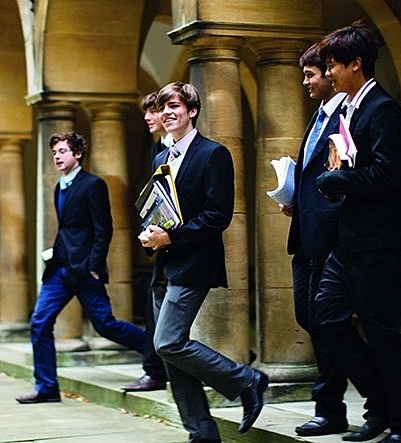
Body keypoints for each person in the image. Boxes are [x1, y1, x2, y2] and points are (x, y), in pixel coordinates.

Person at [313, 22, 401, 443]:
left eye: (333, 66)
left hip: (379, 240)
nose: (329, 74)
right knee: (324, 319)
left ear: (355, 64)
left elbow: (384, 173)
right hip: (348, 240)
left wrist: (338, 181)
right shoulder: (349, 109)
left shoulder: (383, 109)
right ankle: (379, 404)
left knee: (382, 333)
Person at [138, 82, 268, 441]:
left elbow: (218, 215)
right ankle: (202, 433)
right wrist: (150, 234)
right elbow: (159, 209)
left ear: (192, 110)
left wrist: (172, 237)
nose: (166, 113)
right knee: (172, 358)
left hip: (194, 263)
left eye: (174, 106)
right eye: (162, 107)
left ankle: (247, 380)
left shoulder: (213, 154)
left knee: (167, 343)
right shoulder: (160, 158)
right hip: (164, 265)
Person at [282, 42, 389, 439]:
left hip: (335, 237)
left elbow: (354, 175)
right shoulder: (317, 118)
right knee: (311, 321)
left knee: (331, 324)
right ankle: (333, 408)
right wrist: (292, 198)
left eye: (313, 73)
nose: (307, 81)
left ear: (332, 74)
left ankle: (366, 404)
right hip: (306, 234)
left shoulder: (348, 117)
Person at [16, 132, 155, 404]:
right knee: (39, 322)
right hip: (59, 269)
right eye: (55, 152)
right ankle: (46, 388)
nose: (57, 156)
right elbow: (67, 229)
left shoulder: (93, 185)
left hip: (84, 269)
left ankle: (156, 350)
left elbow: (104, 229)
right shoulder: (59, 187)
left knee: (105, 325)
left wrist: (94, 264)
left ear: (77, 154)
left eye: (63, 151)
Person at [117, 93, 172, 393]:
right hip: (163, 242)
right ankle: (154, 370)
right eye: (147, 113)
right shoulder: (157, 150)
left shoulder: (182, 149)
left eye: (153, 112)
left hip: (184, 242)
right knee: (154, 309)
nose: (149, 118)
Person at [140, 91, 173, 162]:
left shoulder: (183, 144)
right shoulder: (155, 148)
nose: (146, 117)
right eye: (146, 113)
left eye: (152, 112)